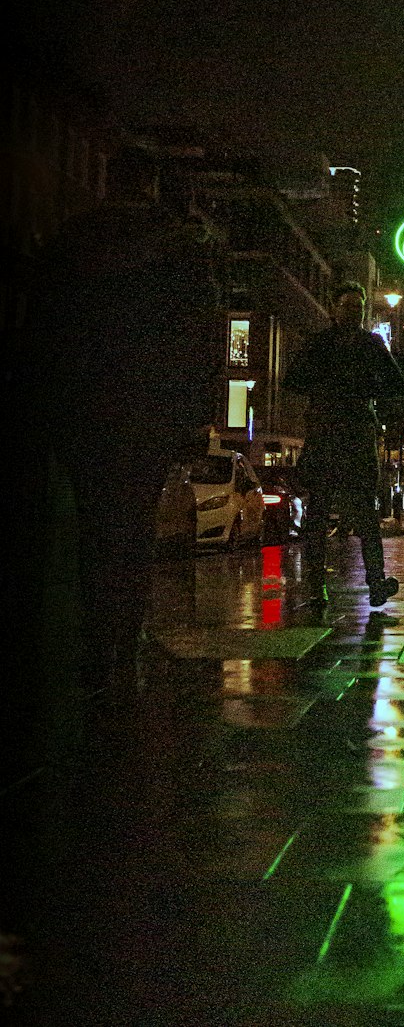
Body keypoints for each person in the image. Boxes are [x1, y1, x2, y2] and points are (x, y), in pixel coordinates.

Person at [17, 146, 221, 707]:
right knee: (132, 527)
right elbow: (201, 332)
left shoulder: (74, 240)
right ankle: (119, 640)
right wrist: (193, 409)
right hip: (147, 407)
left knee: (92, 523)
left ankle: (94, 643)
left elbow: (44, 325)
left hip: (83, 403)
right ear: (151, 184)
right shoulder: (178, 246)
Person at [284, 281, 404, 608]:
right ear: (336, 308)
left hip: (337, 432)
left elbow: (396, 383)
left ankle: (344, 585)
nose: (354, 312)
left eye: (358, 307)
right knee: (331, 512)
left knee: (346, 512)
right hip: (340, 434)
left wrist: (333, 390)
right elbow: (293, 379)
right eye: (349, 306)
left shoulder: (348, 344)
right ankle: (331, 585)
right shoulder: (349, 344)